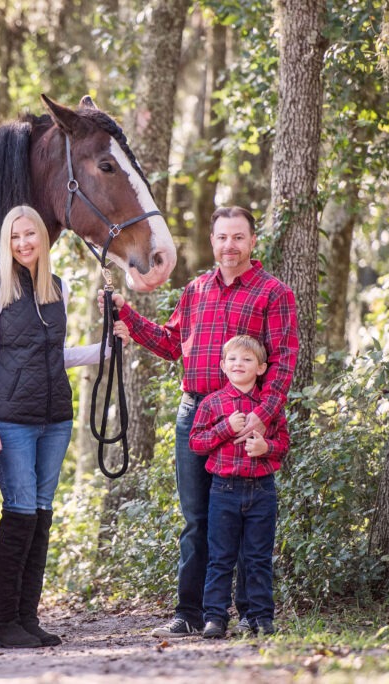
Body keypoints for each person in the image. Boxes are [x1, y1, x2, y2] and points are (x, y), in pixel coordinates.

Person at [108, 206, 298, 638]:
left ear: (253, 241)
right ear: (212, 242)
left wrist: (260, 417)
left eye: (238, 237)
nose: (229, 246)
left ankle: (253, 615)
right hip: (198, 415)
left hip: (248, 418)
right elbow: (172, 342)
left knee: (248, 524)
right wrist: (127, 316)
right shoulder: (196, 290)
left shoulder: (273, 293)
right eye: (222, 237)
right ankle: (192, 613)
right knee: (197, 520)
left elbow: (284, 363)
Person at [0, 204, 128, 648]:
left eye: (31, 235)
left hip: (55, 416)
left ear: (43, 238)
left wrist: (101, 350)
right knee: (20, 512)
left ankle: (28, 619)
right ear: (7, 241)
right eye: (16, 236)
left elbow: (49, 355)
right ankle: (6, 624)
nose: (24, 243)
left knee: (42, 514)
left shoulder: (55, 288)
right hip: (13, 420)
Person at [190, 335, 289, 638]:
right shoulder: (212, 403)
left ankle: (261, 617)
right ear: (222, 365)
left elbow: (283, 443)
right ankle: (215, 618)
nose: (238, 364)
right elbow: (196, 442)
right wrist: (225, 428)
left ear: (261, 368)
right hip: (224, 490)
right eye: (232, 359)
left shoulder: (269, 407)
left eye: (247, 360)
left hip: (262, 490)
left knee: (258, 558)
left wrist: (266, 448)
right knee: (221, 557)